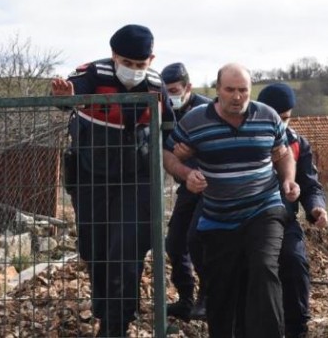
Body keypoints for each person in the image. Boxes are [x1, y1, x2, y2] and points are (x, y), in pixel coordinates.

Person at [51, 24, 175, 337]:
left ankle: (116, 323)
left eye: (140, 65)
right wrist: (66, 96)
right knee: (95, 248)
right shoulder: (94, 74)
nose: (133, 71)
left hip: (137, 178)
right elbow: (70, 95)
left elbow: (170, 127)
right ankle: (105, 307)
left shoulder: (156, 85)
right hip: (92, 175)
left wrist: (179, 152)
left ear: (151, 59)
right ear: (113, 56)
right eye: (127, 63)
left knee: (127, 247)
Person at [162, 63, 300, 338]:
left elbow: (283, 153)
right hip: (218, 217)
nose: (237, 96)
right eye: (230, 90)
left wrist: (287, 179)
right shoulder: (195, 121)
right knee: (221, 287)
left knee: (263, 269)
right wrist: (187, 174)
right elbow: (168, 155)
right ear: (217, 90)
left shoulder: (267, 117)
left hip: (264, 208)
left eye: (243, 91)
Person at [257, 83, 328, 338]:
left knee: (295, 262)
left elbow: (310, 185)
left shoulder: (298, 144)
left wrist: (316, 208)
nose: (281, 124)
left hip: (284, 219)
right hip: (248, 220)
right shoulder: (247, 139)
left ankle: (296, 328)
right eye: (277, 118)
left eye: (286, 118)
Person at [161, 62, 211, 321]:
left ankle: (207, 297)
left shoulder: (207, 110)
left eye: (173, 90)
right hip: (187, 185)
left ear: (188, 87)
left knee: (197, 239)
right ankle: (186, 298)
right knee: (175, 242)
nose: (169, 96)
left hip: (210, 186)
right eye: (164, 91)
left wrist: (193, 151)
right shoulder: (164, 111)